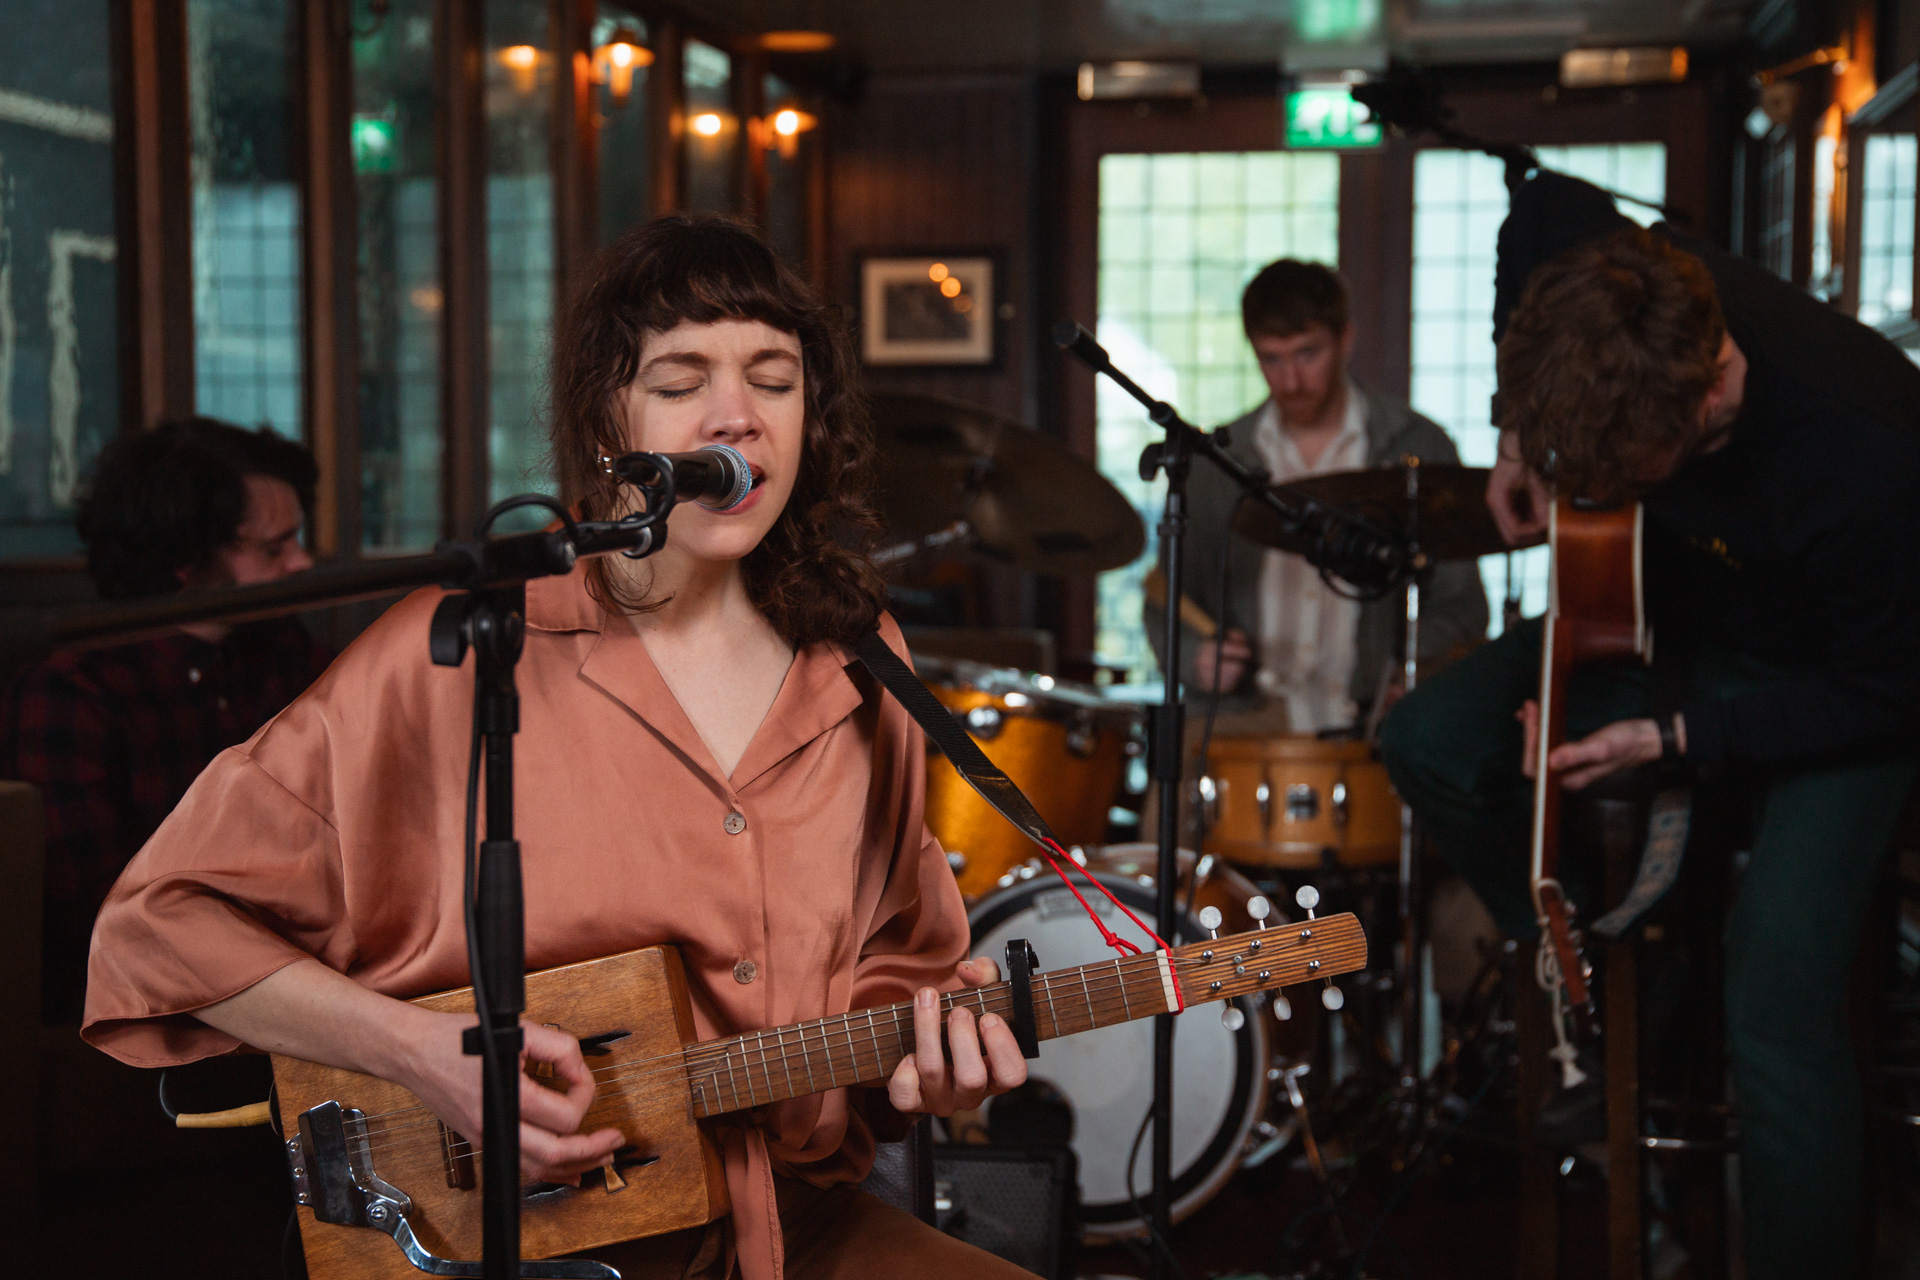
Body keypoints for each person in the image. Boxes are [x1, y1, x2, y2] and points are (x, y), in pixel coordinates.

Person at [81, 216, 1035, 1280]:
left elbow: (898, 968)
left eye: (775, 378)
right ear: (603, 422)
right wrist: (420, 1052)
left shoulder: (863, 658)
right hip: (513, 1241)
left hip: (787, 1222)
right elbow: (160, 925)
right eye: (682, 382)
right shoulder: (463, 645)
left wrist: (934, 1060)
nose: (741, 417)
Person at [1379, 172, 1920, 1280]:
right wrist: (1519, 432)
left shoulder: (1872, 447)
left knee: (1774, 989)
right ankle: (1575, 958)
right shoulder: (1626, 279)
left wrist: (1671, 739)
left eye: (1613, 472)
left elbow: (1891, 688)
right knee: (1427, 735)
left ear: (1700, 409)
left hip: (1843, 690)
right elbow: (1537, 203)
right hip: (1671, 628)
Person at [3, 416, 328, 1022]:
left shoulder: (283, 651)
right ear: (186, 560)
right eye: (274, 548)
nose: (301, 562)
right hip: (138, 1030)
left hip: (299, 982)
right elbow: (99, 916)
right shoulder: (72, 691)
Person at [1147, 259, 1487, 734]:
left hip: (1370, 721)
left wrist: (1411, 671)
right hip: (1246, 717)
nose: (1290, 380)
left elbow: (1462, 608)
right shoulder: (1218, 464)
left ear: (1345, 339)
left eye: (1308, 354)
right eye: (1271, 358)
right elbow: (1167, 596)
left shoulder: (1416, 445)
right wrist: (1193, 658)